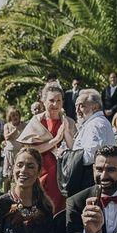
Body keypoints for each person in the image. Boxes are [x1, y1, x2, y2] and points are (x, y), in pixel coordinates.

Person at [17, 83, 76, 213]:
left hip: (62, 175)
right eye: (51, 100)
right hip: (39, 173)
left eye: (58, 100)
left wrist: (66, 133)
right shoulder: (36, 122)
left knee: (59, 210)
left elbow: (74, 150)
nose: (55, 104)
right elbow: (28, 151)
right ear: (43, 101)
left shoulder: (69, 122)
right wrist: (54, 141)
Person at [70, 89, 115, 194]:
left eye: (82, 106)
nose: (77, 110)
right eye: (76, 106)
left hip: (89, 179)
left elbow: (90, 156)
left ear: (95, 107)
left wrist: (68, 157)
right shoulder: (96, 122)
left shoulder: (94, 125)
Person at [2, 106, 27, 192]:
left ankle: (17, 193)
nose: (15, 117)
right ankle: (5, 194)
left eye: (16, 115)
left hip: (20, 153)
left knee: (18, 173)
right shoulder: (7, 125)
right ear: (10, 117)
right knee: (7, 175)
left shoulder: (24, 125)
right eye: (13, 115)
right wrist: (16, 129)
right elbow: (7, 137)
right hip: (9, 153)